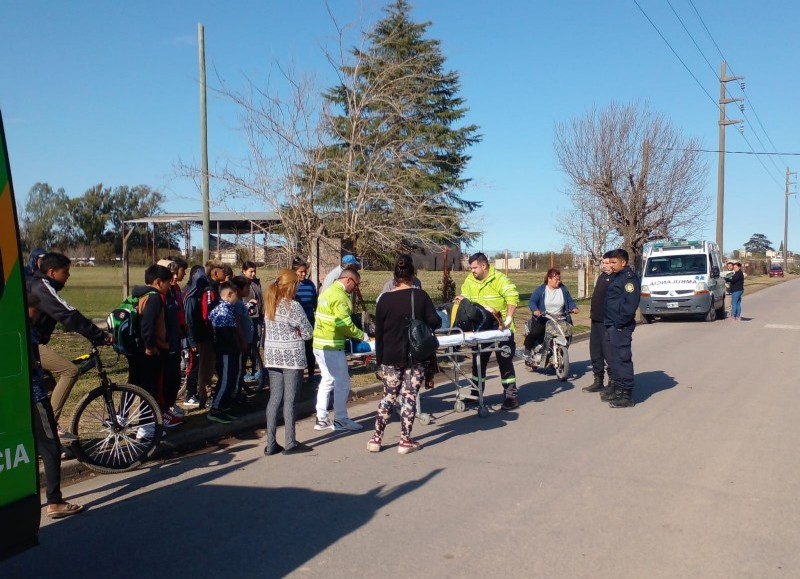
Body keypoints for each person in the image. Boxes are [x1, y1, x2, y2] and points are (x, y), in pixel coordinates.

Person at [28, 252, 112, 440]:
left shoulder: (40, 285)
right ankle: (46, 430)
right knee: (69, 371)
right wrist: (99, 335)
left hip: (34, 342)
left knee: (48, 389)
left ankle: (48, 431)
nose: (68, 275)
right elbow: (67, 315)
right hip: (30, 344)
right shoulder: (42, 288)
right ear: (52, 272)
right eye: (65, 271)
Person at [367, 255, 440, 455]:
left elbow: (379, 332)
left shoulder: (384, 300)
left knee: (388, 396)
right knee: (409, 396)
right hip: (415, 355)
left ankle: (376, 438)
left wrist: (379, 358)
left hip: (390, 355)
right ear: (413, 275)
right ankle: (404, 440)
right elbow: (435, 321)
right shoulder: (421, 296)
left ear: (394, 277)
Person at [27, 293, 83, 519]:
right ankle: (54, 501)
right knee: (50, 446)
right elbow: (31, 363)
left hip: (23, 398)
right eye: (36, 310)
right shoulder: (24, 330)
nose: (38, 314)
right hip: (36, 396)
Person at [262, 269, 315, 456]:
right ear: (291, 286)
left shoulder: (270, 304)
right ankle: (290, 442)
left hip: (273, 355)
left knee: (274, 399)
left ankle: (271, 443)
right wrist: (299, 332)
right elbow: (308, 332)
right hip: (291, 357)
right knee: (290, 400)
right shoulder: (293, 306)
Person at [459, 252, 520, 410]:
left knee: (504, 362)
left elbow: (512, 296)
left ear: (484, 266)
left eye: (474, 267)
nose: (472, 271)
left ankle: (511, 397)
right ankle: (476, 394)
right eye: (470, 268)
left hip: (500, 329)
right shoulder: (470, 280)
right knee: (478, 362)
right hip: (481, 330)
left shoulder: (499, 279)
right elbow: (464, 300)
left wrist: (508, 319)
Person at [313, 268, 365, 431]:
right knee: (342, 383)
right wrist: (360, 335)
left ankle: (321, 418)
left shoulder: (326, 293)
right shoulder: (341, 297)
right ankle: (341, 418)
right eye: (355, 285)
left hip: (319, 343)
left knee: (327, 379)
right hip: (332, 345)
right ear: (349, 280)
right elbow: (343, 324)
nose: (354, 289)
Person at [127, 264, 174, 429]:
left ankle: (120, 417)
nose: (170, 286)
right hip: (148, 350)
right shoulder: (154, 298)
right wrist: (150, 346)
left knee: (134, 385)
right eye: (168, 282)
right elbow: (147, 325)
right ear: (158, 282)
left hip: (134, 347)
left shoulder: (139, 294)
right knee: (149, 389)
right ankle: (146, 428)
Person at [601, 248, 641, 408]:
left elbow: (630, 304)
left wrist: (619, 323)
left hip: (620, 326)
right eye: (609, 262)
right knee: (613, 359)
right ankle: (618, 388)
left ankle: (626, 394)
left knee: (622, 359)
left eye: (614, 262)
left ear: (623, 262)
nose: (610, 265)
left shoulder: (629, 279)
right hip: (611, 324)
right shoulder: (617, 277)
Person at [183, 261, 223, 408]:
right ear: (215, 272)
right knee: (204, 368)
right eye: (222, 270)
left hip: (205, 334)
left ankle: (204, 395)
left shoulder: (210, 288)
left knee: (207, 366)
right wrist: (193, 339)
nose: (224, 272)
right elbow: (205, 315)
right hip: (204, 335)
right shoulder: (207, 290)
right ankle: (204, 397)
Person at [523, 268, 578, 364]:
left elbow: (570, 301)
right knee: (535, 332)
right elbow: (532, 301)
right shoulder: (541, 290)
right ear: (549, 278)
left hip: (560, 317)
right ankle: (527, 351)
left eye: (559, 279)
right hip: (544, 317)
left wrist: (574, 308)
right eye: (556, 279)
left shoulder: (563, 289)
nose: (558, 281)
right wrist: (536, 310)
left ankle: (557, 353)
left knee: (567, 334)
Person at [157, 258, 187, 426]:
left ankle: (168, 406)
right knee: (163, 381)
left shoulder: (174, 290)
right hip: (164, 344)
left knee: (174, 378)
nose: (175, 277)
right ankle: (162, 413)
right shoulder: (159, 294)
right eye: (171, 274)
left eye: (176, 273)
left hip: (175, 340)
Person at [208, 282, 241, 423]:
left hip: (229, 350)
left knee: (230, 378)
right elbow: (223, 334)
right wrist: (232, 345)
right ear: (229, 295)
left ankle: (224, 406)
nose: (237, 299)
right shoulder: (223, 310)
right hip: (225, 351)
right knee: (225, 380)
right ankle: (215, 409)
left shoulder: (228, 309)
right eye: (236, 296)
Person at [583, 254, 614, 393]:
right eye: (603, 262)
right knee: (595, 351)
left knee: (609, 352)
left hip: (607, 321)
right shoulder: (602, 276)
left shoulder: (616, 278)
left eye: (607, 263)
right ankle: (598, 380)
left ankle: (612, 381)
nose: (605, 265)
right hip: (595, 320)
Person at [292, 257, 318, 382]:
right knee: (298, 349)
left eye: (305, 272)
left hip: (309, 319)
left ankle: (311, 373)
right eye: (300, 272)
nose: (303, 274)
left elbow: (315, 302)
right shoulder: (290, 285)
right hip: (294, 322)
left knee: (309, 348)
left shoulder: (310, 284)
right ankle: (298, 375)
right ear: (294, 271)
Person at [231, 274, 254, 402]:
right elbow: (238, 323)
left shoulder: (241, 303)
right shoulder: (237, 304)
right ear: (239, 289)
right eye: (247, 288)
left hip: (246, 340)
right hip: (241, 342)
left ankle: (238, 391)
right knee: (239, 368)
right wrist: (243, 340)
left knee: (242, 367)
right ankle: (236, 394)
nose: (249, 290)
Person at [241, 260, 264, 381]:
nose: (253, 274)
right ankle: (244, 371)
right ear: (244, 271)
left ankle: (256, 368)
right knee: (247, 344)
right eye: (251, 271)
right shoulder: (240, 283)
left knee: (256, 344)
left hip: (257, 317)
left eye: (255, 271)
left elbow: (260, 299)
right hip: (246, 318)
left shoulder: (256, 283)